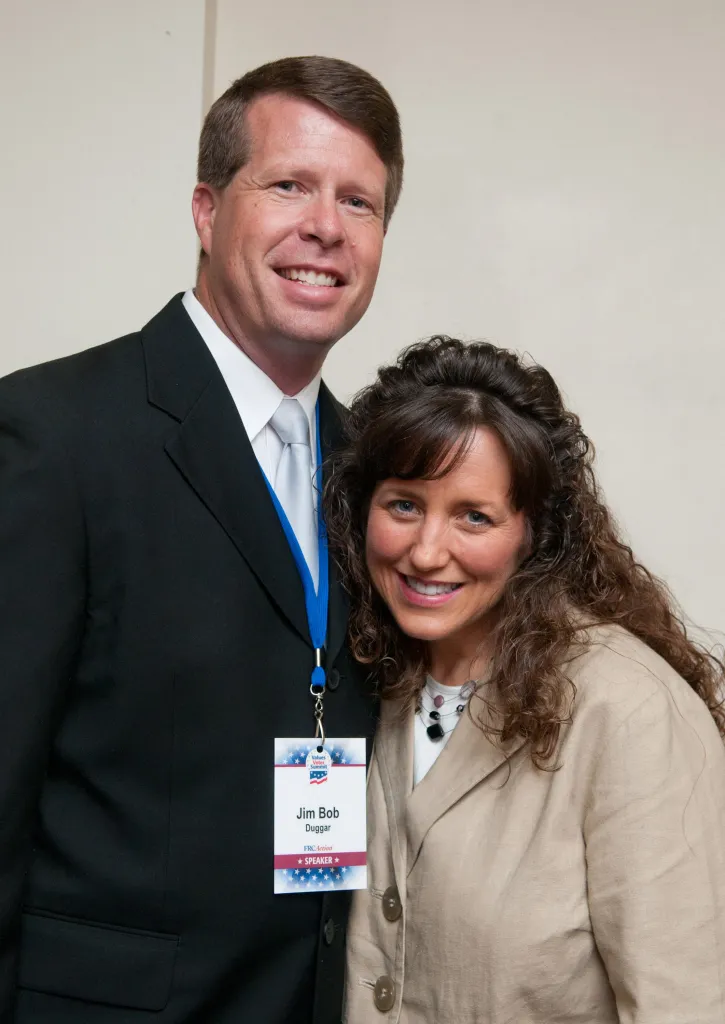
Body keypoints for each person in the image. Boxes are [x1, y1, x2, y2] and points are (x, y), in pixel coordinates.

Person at [0, 56, 403, 1022]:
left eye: (360, 202)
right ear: (205, 209)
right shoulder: (54, 434)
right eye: (289, 185)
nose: (325, 227)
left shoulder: (374, 474)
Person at [325, 336, 725, 1023]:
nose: (425, 552)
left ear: (533, 533)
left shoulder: (628, 712)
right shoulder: (356, 676)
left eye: (473, 517)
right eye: (402, 505)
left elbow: (679, 1005)